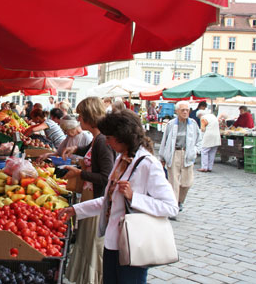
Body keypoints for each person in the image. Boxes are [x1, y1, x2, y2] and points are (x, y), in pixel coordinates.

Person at [59, 110, 178, 284]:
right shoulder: (121, 160)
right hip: (112, 241)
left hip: (133, 243)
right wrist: (75, 210)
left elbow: (171, 207)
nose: (106, 141)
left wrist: (134, 197)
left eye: (109, 137)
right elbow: (109, 200)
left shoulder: (148, 164)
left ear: (122, 137)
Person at [60, 97, 115, 284]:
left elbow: (106, 177)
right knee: (86, 243)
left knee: (92, 245)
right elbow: (91, 151)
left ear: (89, 117)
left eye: (81, 115)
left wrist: (80, 173)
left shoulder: (102, 141)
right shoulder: (97, 138)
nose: (79, 119)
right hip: (90, 196)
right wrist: (77, 148)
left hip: (96, 199)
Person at [159, 100, 201, 213]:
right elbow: (165, 141)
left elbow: (199, 139)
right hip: (174, 154)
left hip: (187, 154)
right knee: (174, 182)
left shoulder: (193, 124)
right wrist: (162, 157)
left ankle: (180, 200)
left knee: (187, 182)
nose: (185, 112)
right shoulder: (171, 124)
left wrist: (195, 150)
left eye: (187, 110)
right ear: (177, 111)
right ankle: (173, 206)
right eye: (183, 110)